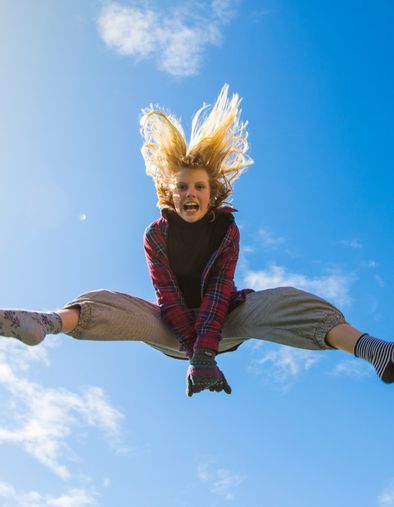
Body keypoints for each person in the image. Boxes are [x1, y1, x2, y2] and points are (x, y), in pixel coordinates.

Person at [1, 85, 393, 396]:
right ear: (169, 194)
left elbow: (219, 293)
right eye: (182, 187)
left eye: (199, 187)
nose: (190, 193)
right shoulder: (156, 235)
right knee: (111, 301)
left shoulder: (226, 232)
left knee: (283, 300)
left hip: (225, 325)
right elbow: (168, 295)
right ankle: (46, 322)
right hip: (172, 331)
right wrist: (194, 354)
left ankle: (373, 348)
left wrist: (207, 353)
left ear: (212, 194)